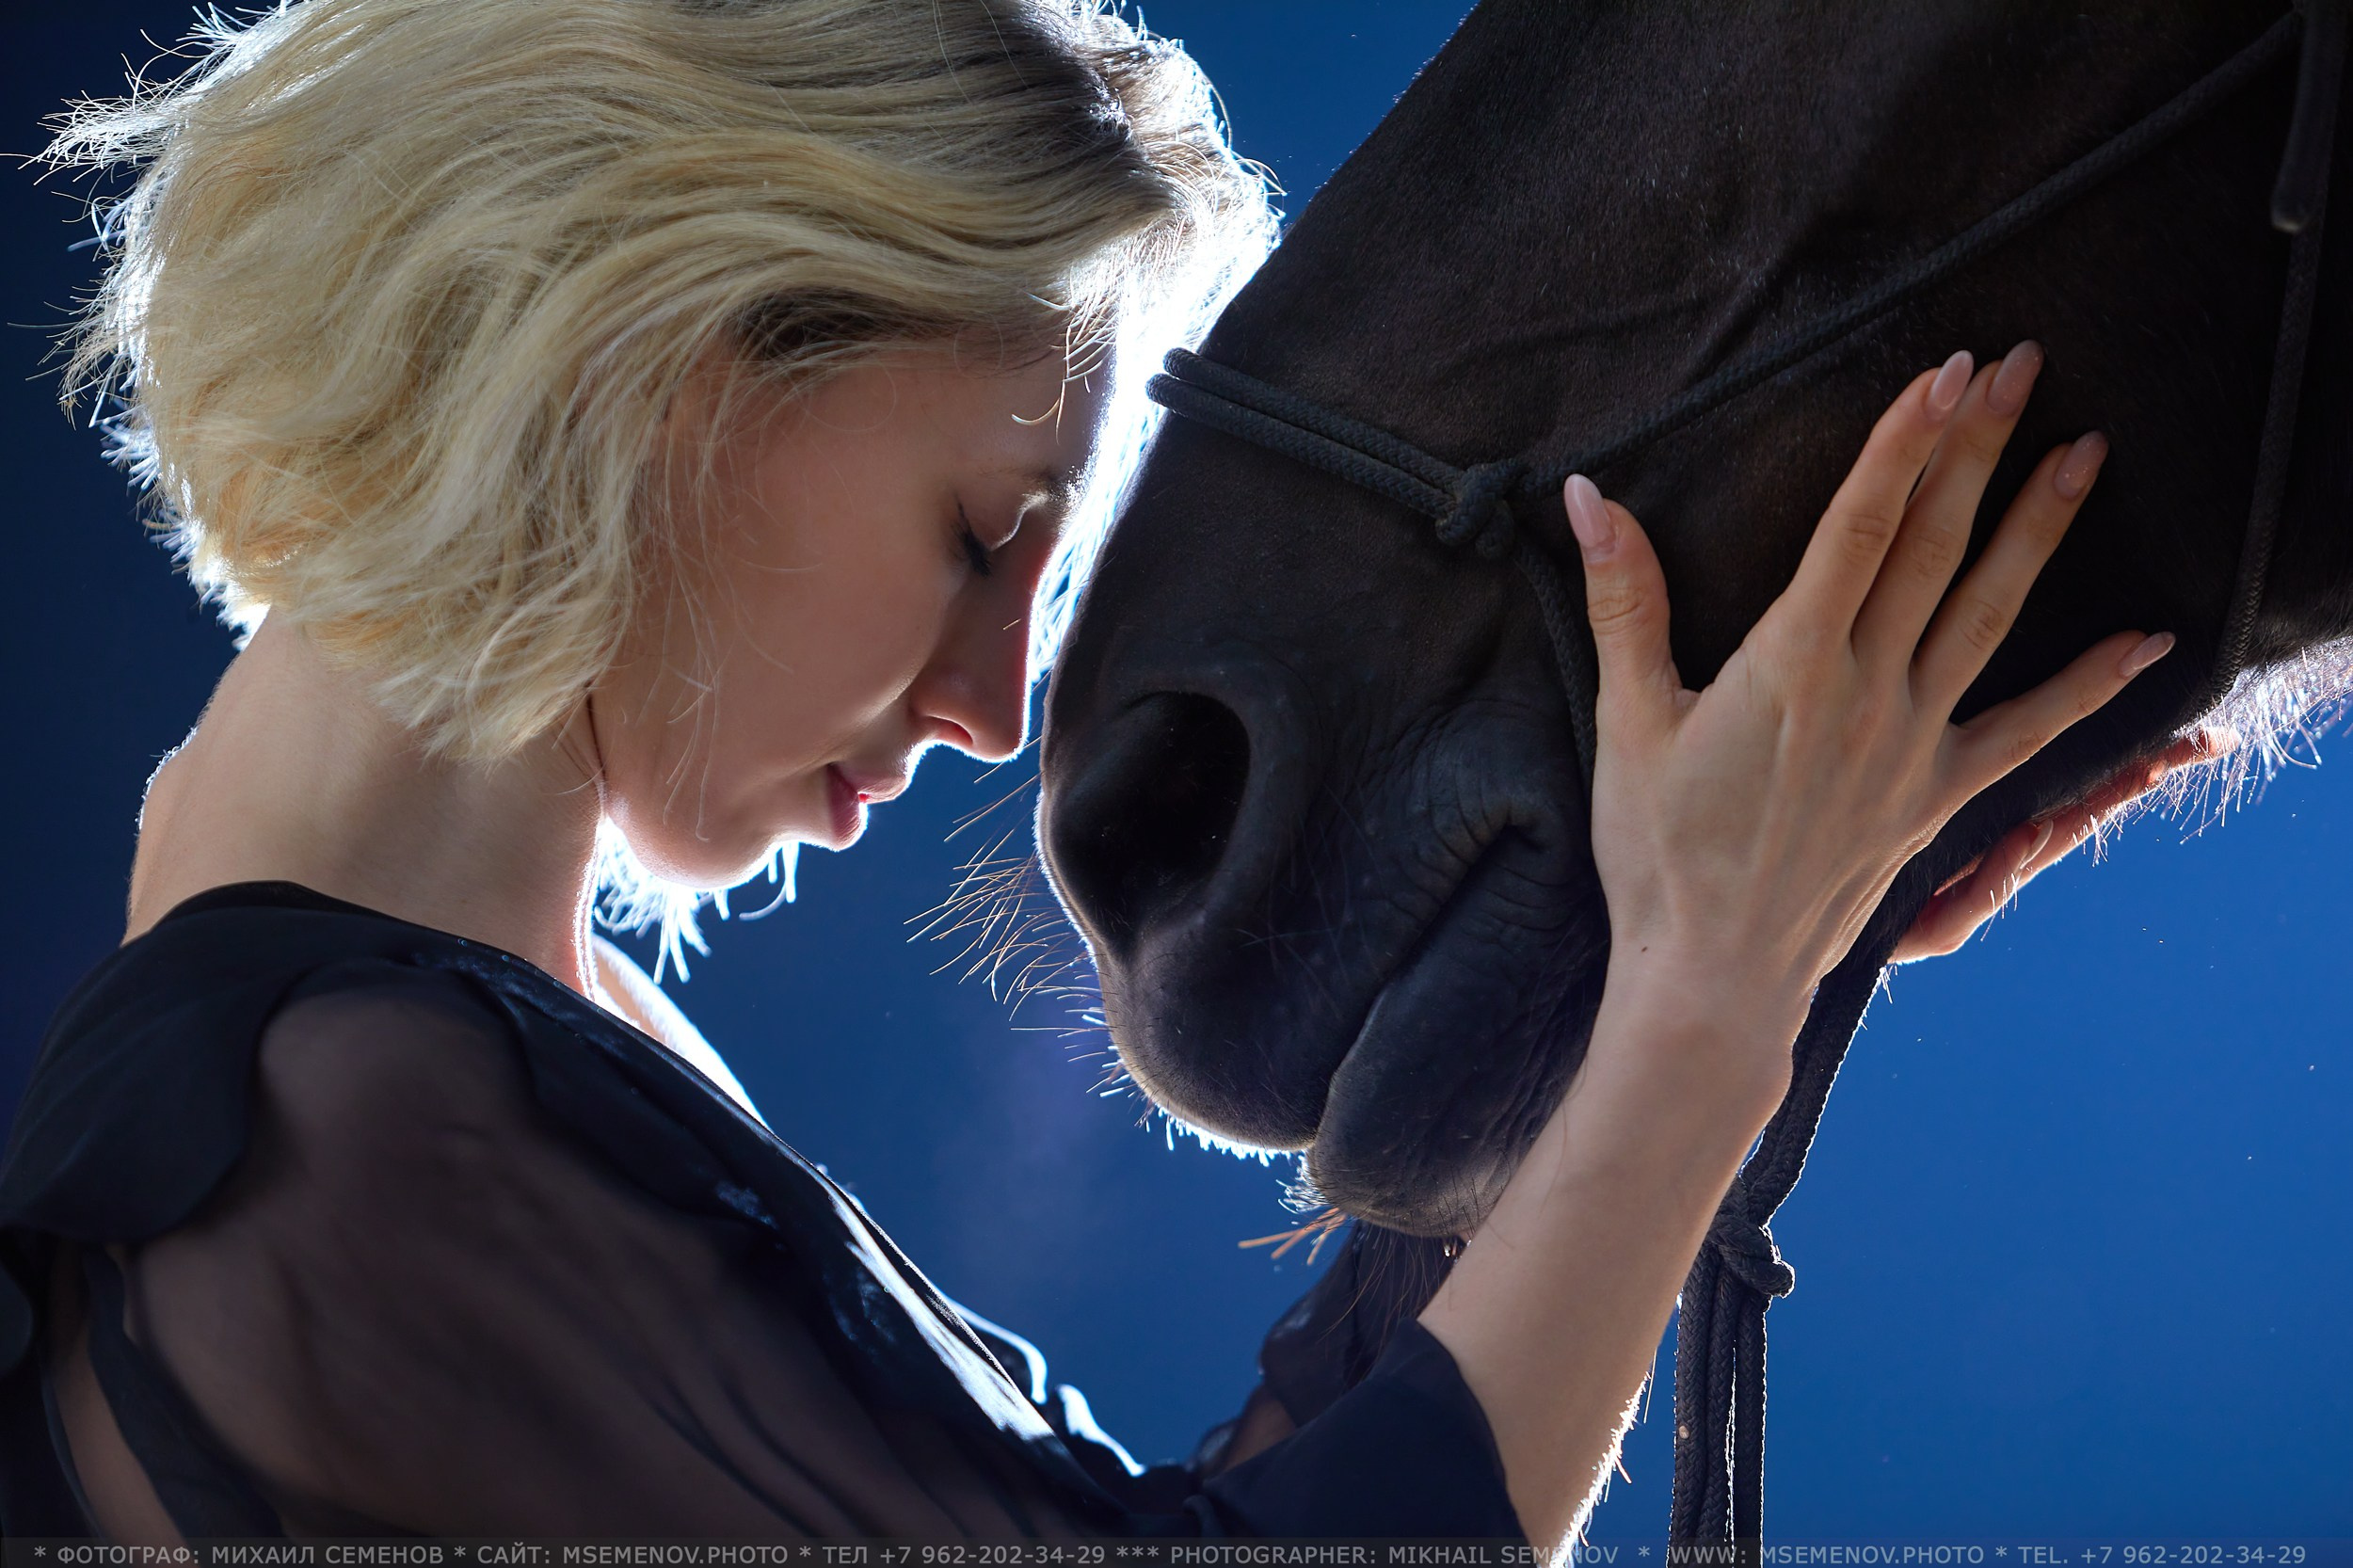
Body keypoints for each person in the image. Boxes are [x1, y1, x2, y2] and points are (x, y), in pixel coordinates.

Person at [0, 0, 2216, 1550]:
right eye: (981, 538)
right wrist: (1699, 1012)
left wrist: (1739, 947)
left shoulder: (447, 1031)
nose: (992, 705)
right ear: (663, 371)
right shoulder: (334, 1136)